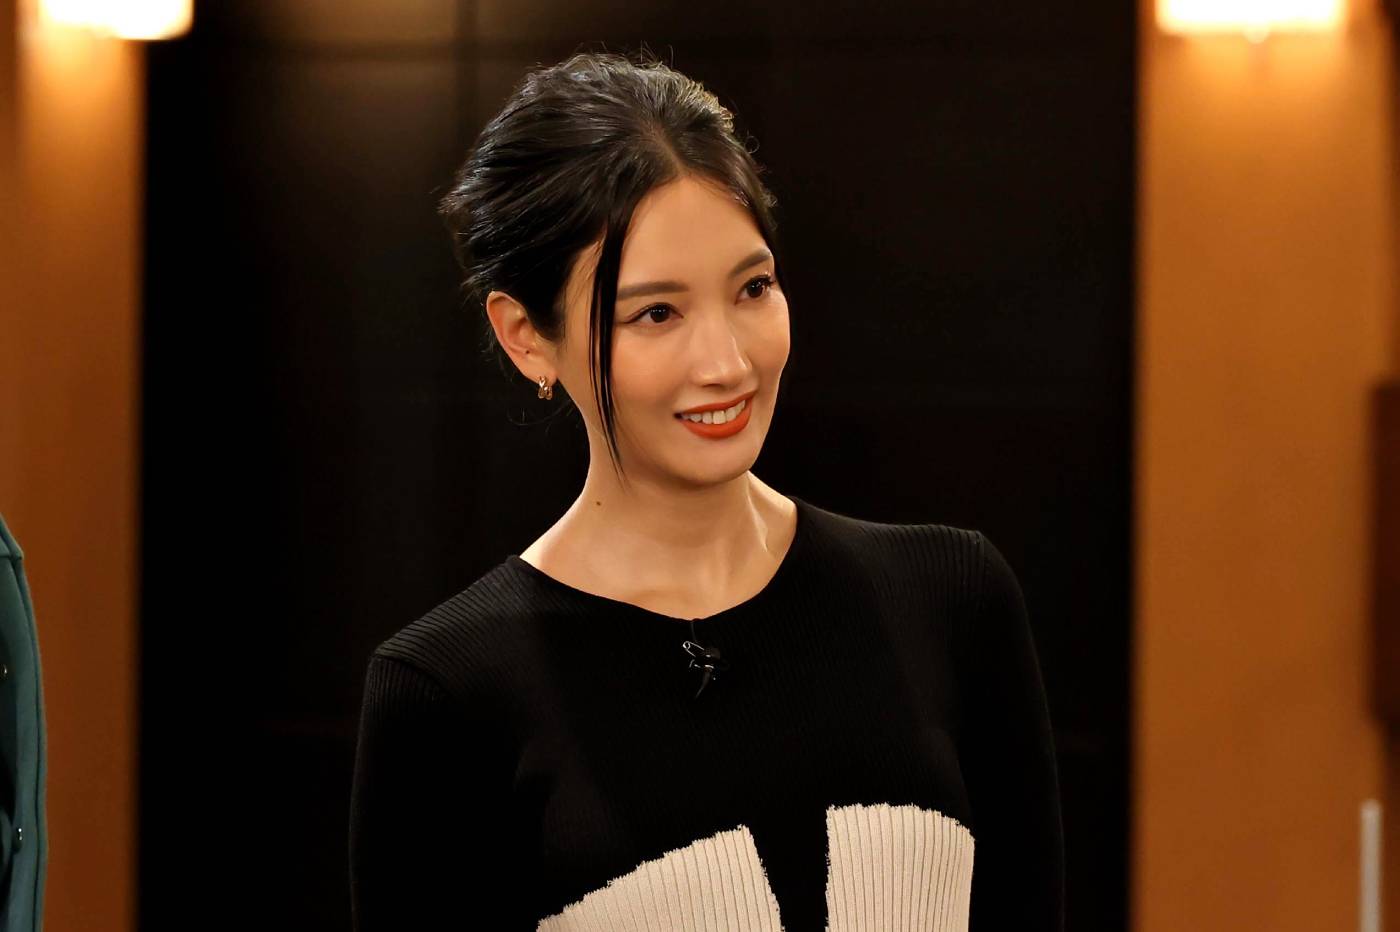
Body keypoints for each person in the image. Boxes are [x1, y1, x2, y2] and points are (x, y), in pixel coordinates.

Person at [348, 49, 1063, 931]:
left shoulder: (952, 598)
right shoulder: (447, 690)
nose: (726, 363)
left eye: (753, 288)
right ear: (526, 335)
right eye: (656, 313)